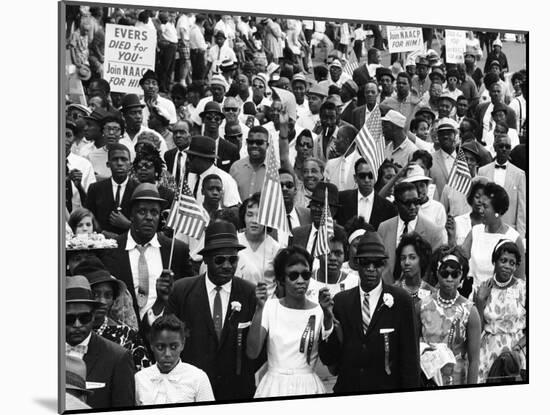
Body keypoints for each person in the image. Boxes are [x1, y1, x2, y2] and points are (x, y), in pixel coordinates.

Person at [166, 221, 260, 401]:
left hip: (236, 391)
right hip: (189, 390)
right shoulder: (181, 291)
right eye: (219, 259)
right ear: (206, 259)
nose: (227, 265)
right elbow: (167, 337)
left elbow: (258, 350)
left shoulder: (250, 294)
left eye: (232, 259)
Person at [319, 231, 421, 392]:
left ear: (384, 265)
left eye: (377, 263)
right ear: (357, 263)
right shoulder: (341, 301)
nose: (371, 268)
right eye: (366, 262)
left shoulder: (401, 301)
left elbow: (410, 360)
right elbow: (329, 358)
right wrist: (326, 321)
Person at [100, 183, 193, 330]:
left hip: (165, 335)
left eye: (154, 212)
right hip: (124, 335)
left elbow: (189, 293)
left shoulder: (176, 250)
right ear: (131, 215)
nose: (149, 217)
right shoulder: (111, 249)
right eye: (142, 212)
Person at [246, 246, 334, 397]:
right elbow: (252, 352)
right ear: (281, 279)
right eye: (293, 276)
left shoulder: (319, 311)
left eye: (305, 275)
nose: (300, 281)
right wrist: (259, 309)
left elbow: (331, 357)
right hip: (274, 386)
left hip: (309, 386)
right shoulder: (270, 307)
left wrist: (328, 315)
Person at [65, 275, 135, 409]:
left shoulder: (118, 358)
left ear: (93, 316)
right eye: (69, 319)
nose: (77, 324)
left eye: (84, 317)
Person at [419, 246, 481, 386]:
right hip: (426, 381)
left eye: (455, 274)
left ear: (461, 276)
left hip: (456, 382)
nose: (449, 278)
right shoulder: (422, 306)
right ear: (437, 272)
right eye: (444, 273)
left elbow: (474, 360)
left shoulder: (470, 311)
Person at [73, 257, 150, 370]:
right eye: (95, 295)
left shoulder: (127, 335)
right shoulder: (68, 334)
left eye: (108, 295)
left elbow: (143, 377)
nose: (102, 301)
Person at [474, 240, 526, 383]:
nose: (507, 266)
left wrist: (517, 348)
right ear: (494, 261)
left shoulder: (523, 289)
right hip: (488, 351)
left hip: (516, 351)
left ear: (516, 266)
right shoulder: (483, 287)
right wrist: (479, 301)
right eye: (503, 260)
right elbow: (476, 328)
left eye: (512, 263)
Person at [377, 181, 447, 284]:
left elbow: (435, 270)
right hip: (387, 290)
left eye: (416, 202)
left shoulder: (433, 232)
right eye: (407, 203)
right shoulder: (384, 228)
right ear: (396, 204)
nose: (413, 207)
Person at [135, 315, 214, 404]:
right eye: (160, 347)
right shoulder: (140, 379)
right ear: (152, 345)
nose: (167, 354)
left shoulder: (198, 378)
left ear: (182, 344)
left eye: (173, 347)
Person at [462, 182, 525, 289]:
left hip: (503, 301)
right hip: (476, 298)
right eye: (480, 205)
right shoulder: (475, 232)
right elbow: (461, 261)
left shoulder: (514, 238)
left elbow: (519, 280)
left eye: (485, 207)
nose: (480, 210)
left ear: (498, 211)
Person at [478, 134, 526, 239]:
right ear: (495, 147)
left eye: (507, 147)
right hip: (486, 229)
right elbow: (479, 201)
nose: (504, 149)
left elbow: (522, 209)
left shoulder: (519, 174)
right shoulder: (482, 171)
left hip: (509, 230)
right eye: (501, 146)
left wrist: (521, 237)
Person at [85, 143, 138, 235]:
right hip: (102, 243)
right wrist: (103, 233)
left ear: (130, 165)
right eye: (115, 159)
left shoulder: (139, 189)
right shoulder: (95, 189)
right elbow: (89, 219)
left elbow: (145, 224)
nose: (119, 163)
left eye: (124, 159)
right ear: (108, 164)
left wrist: (128, 225)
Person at [236, 193, 281, 298]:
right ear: (244, 217)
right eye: (250, 215)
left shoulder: (276, 248)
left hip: (267, 306)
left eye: (260, 216)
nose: (254, 221)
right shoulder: (234, 241)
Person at [336, 158, 397, 229]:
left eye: (371, 175)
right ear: (355, 178)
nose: (367, 180)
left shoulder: (389, 208)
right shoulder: (341, 199)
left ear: (376, 176)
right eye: (362, 176)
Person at [184, 135, 241, 208]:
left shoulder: (225, 179)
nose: (188, 160)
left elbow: (234, 209)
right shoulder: (190, 176)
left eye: (191, 157)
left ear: (205, 159)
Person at [393, 232, 436, 308]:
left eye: (412, 257)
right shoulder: (392, 292)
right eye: (403, 258)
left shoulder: (433, 293)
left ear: (422, 259)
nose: (406, 262)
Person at [229, 126, 270, 201]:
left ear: (267, 145)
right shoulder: (236, 167)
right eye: (250, 142)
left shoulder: (275, 170)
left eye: (259, 143)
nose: (254, 145)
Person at [446, 179, 487, 247]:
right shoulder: (458, 222)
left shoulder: (491, 225)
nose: (480, 201)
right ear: (471, 198)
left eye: (484, 198)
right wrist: (451, 237)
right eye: (477, 197)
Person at [164, 120, 192, 189]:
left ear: (190, 134)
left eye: (182, 132)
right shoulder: (169, 155)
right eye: (175, 133)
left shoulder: (195, 156)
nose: (178, 135)